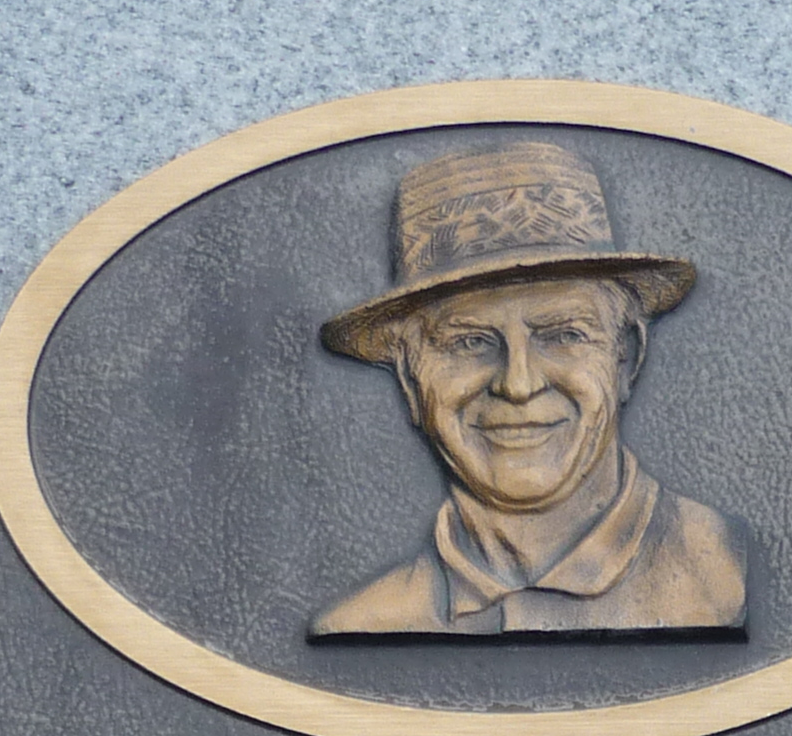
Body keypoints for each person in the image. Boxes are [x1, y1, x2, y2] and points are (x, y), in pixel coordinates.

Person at [313, 141, 749, 638]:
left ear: (625, 359)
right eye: (470, 342)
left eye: (563, 335)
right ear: (411, 382)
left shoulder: (726, 575)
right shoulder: (361, 623)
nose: (518, 385)